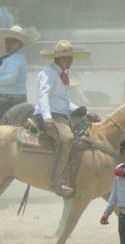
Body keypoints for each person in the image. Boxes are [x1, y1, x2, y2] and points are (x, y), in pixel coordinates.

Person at [33, 40, 91, 197]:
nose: (70, 61)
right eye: (66, 58)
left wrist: (83, 111)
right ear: (57, 58)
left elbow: (64, 102)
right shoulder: (47, 73)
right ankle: (55, 181)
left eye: (71, 58)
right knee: (67, 139)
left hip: (60, 115)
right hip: (50, 116)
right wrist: (47, 118)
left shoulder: (64, 74)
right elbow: (42, 95)